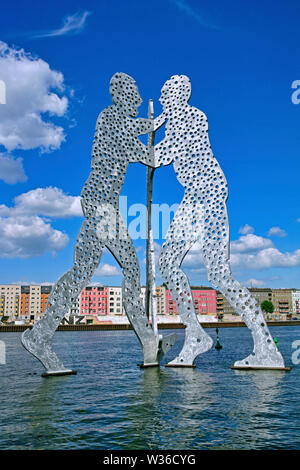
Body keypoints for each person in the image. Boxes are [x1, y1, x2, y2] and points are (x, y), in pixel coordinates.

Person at [22, 73, 175, 374]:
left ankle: (40, 335)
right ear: (122, 95)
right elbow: (150, 151)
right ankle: (146, 340)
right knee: (130, 269)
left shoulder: (118, 124)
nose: (138, 98)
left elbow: (144, 141)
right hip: (102, 206)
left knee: (82, 272)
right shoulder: (111, 120)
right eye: (134, 93)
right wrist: (170, 124)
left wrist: (159, 129)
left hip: (102, 205)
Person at [154, 75, 285, 368]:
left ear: (177, 96)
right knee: (168, 264)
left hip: (207, 195)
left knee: (218, 275)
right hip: (195, 196)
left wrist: (130, 149)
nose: (162, 100)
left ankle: (266, 347)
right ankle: (195, 334)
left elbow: (163, 153)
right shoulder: (176, 118)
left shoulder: (190, 117)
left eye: (165, 95)